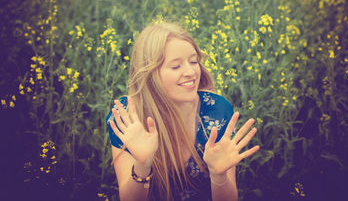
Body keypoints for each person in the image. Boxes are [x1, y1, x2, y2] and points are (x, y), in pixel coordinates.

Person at [106, 21, 260, 201]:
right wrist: (142, 164)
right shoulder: (128, 117)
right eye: (176, 66)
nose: (191, 72)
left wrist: (219, 176)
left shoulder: (216, 110)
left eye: (193, 61)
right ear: (150, 74)